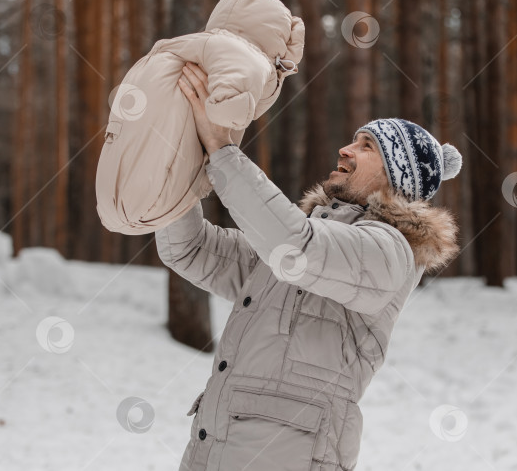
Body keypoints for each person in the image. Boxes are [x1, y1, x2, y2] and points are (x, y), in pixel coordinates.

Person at [158, 62, 462, 471]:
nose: (345, 149)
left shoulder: (389, 252)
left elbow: (293, 246)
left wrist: (223, 153)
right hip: (216, 450)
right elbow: (191, 249)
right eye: (353, 140)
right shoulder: (307, 240)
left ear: (396, 178)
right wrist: (179, 159)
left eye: (367, 146)